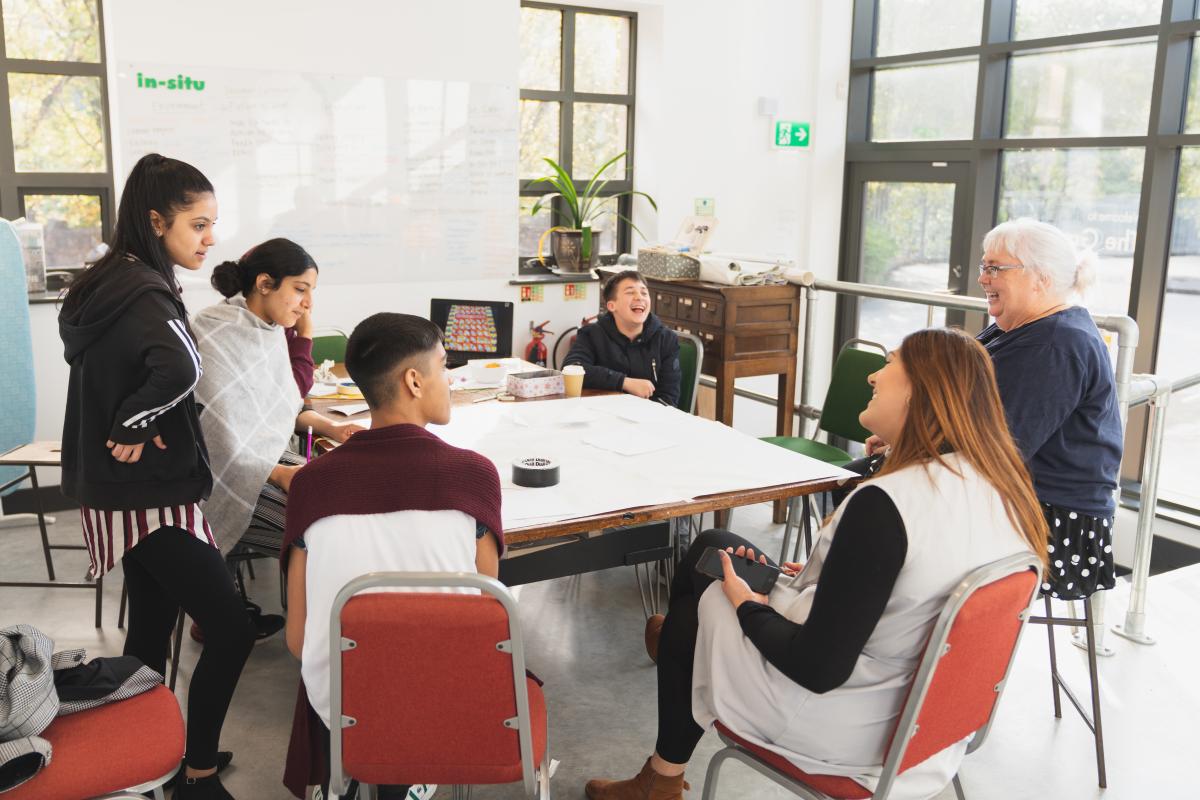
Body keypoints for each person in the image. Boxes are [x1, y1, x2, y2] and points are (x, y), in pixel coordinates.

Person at [586, 328, 1048, 800]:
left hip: (845, 725)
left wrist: (748, 605)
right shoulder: (1003, 488)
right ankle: (668, 698)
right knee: (715, 546)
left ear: (918, 389)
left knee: (702, 599)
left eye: (888, 363)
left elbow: (817, 668)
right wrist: (813, 581)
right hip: (926, 722)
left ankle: (665, 734)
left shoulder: (886, 505)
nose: (873, 375)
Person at [58, 153, 254, 800]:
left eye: (213, 224)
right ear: (156, 221)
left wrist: (132, 420)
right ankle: (194, 775)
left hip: (116, 494)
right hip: (147, 495)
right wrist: (133, 426)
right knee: (228, 627)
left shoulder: (108, 280)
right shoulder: (146, 290)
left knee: (149, 628)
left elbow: (148, 368)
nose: (210, 238)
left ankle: (146, 760)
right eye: (198, 224)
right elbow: (181, 367)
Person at [279, 313, 504, 799]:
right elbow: (492, 623)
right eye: (445, 366)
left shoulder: (313, 484)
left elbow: (298, 639)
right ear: (414, 380)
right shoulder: (474, 476)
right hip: (445, 700)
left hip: (343, 702)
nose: (450, 379)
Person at [864, 218, 1122, 600]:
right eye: (984, 267)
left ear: (1041, 278)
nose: (983, 279)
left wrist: (912, 444)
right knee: (863, 480)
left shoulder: (1054, 345)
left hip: (1047, 521)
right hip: (1014, 497)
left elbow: (1002, 449)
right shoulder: (1019, 328)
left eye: (994, 268)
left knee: (873, 495)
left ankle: (864, 616)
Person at [192, 238, 361, 556]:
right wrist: (280, 474)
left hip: (262, 458)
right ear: (265, 283)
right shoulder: (217, 331)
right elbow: (218, 436)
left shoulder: (268, 331)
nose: (309, 303)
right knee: (320, 536)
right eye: (300, 289)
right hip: (225, 474)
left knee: (343, 501)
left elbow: (276, 407)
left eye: (312, 291)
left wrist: (333, 429)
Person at [564, 270, 681, 406]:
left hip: (647, 418)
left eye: (644, 293)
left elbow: (669, 398)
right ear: (612, 306)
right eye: (630, 292)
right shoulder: (591, 334)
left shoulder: (666, 339)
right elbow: (572, 368)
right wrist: (624, 382)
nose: (639, 297)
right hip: (602, 413)